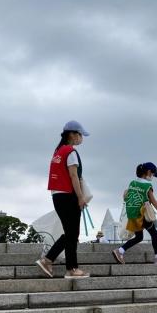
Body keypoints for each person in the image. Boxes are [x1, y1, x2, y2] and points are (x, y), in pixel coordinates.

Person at [35, 120, 91, 279]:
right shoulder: (70, 152)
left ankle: (51, 261)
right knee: (72, 233)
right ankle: (70, 268)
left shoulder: (58, 151)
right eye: (80, 135)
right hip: (68, 195)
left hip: (57, 195)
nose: (81, 138)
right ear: (72, 134)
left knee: (70, 233)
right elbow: (74, 176)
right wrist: (80, 197)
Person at [112, 162, 157, 264]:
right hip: (141, 214)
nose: (152, 176)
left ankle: (120, 251)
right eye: (152, 174)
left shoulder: (132, 183)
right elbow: (153, 200)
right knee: (154, 233)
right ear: (148, 172)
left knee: (139, 237)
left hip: (132, 214)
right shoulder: (147, 185)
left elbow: (126, 196)